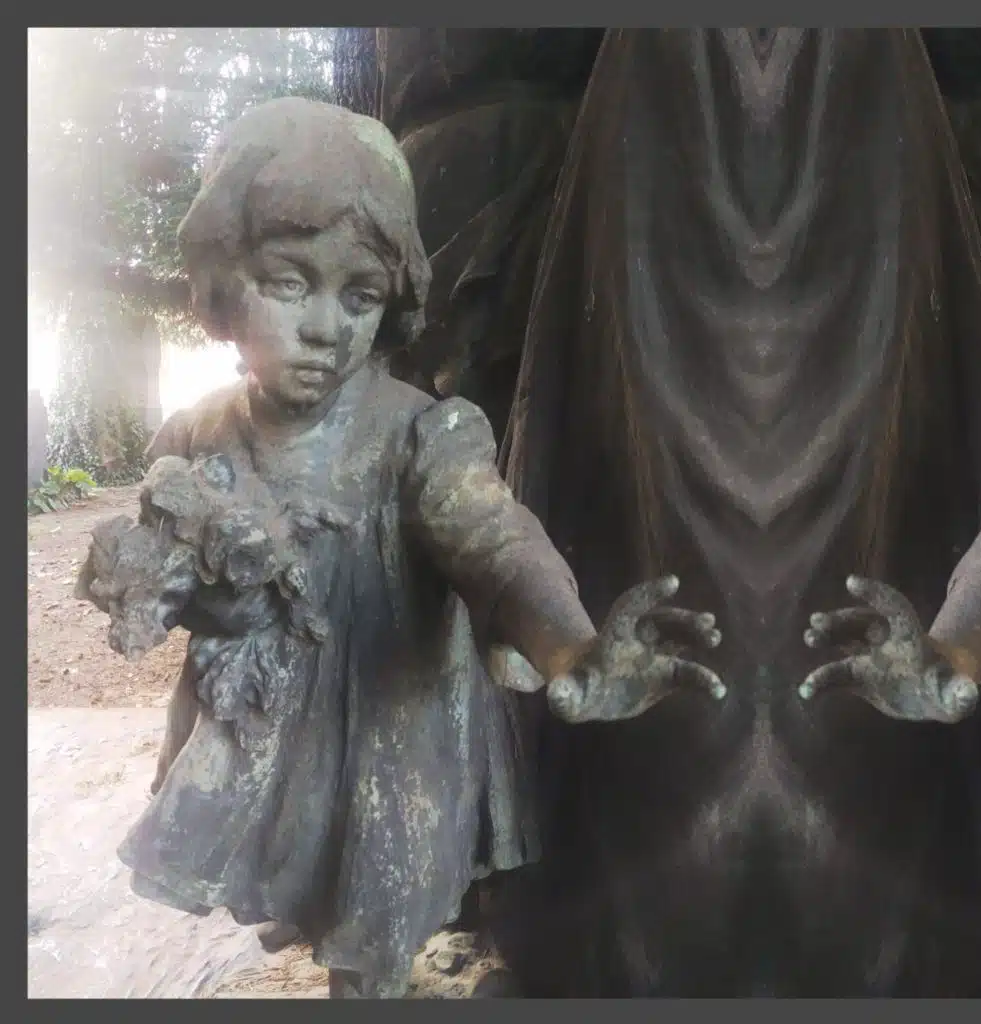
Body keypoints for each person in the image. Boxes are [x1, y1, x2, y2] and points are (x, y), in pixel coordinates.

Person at [78, 97, 723, 998]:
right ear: (225, 283)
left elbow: (490, 534)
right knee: (308, 888)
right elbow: (166, 568)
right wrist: (147, 581)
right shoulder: (194, 438)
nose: (326, 327)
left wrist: (569, 645)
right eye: (290, 284)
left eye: (361, 296)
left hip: (392, 731)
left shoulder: (419, 432)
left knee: (373, 915)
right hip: (268, 728)